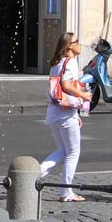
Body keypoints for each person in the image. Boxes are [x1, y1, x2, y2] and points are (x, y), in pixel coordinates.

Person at [41, 32, 90, 202]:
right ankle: (66, 192)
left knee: (63, 150)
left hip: (55, 112)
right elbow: (66, 85)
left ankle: (34, 176)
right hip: (64, 113)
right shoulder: (70, 63)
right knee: (73, 152)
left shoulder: (57, 62)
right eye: (77, 42)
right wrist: (84, 96)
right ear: (69, 45)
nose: (80, 44)